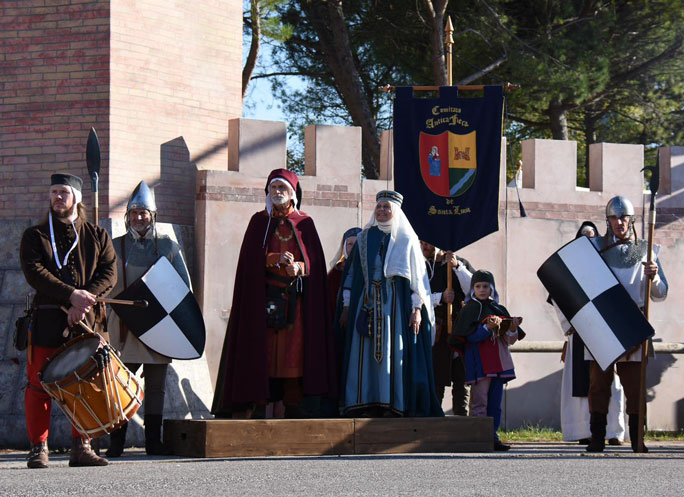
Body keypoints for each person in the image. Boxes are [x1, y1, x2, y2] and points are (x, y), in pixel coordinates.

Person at [211, 168, 336, 419]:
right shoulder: (259, 222)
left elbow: (315, 264)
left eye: (283, 188)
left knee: (294, 355)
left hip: (295, 305)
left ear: (292, 193)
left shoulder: (305, 223)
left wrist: (297, 267)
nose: (278, 193)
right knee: (263, 353)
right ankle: (259, 407)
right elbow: (249, 262)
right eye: (274, 188)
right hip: (263, 302)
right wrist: (273, 259)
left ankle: (292, 408)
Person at [19, 173, 117, 468]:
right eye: (53, 192)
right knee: (38, 386)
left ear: (77, 197)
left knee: (86, 385)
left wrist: (84, 299)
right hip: (48, 321)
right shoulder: (35, 236)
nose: (57, 197)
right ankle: (39, 448)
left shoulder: (98, 236)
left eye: (63, 192)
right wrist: (70, 296)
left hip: (88, 321)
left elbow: (109, 273)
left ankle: (82, 446)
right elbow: (35, 272)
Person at [105, 181, 192, 457]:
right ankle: (116, 441)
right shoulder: (116, 246)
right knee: (121, 384)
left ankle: (153, 441)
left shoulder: (168, 246)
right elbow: (106, 285)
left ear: (152, 216)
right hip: (125, 326)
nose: (139, 218)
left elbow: (183, 289)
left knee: (155, 388)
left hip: (160, 325)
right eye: (134, 213)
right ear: (128, 216)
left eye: (144, 213)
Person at [338, 190, 443, 417]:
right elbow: (352, 274)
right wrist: (347, 306)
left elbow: (417, 281)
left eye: (387, 207)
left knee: (392, 353)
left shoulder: (406, 239)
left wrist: (417, 309)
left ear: (395, 211)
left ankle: (391, 404)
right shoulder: (364, 238)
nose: (382, 211)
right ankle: (364, 402)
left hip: (394, 306)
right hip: (365, 303)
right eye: (379, 207)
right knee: (363, 353)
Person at [586, 196, 668, 453]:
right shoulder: (594, 248)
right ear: (607, 220)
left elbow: (661, 293)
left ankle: (637, 439)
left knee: (635, 385)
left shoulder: (647, 249)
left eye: (624, 218)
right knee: (599, 384)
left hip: (632, 323)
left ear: (631, 220)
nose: (619, 222)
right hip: (603, 324)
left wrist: (653, 278)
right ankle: (597, 438)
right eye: (614, 217)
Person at [551, 221, 626, 445]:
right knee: (583, 381)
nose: (588, 239)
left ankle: (613, 431)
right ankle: (581, 431)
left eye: (593, 236)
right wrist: (570, 323)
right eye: (584, 235)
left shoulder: (609, 263)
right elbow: (558, 296)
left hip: (606, 331)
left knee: (610, 382)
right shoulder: (569, 265)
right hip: (580, 332)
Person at [451, 270, 524, 451]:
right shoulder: (468, 310)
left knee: (495, 403)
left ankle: (493, 436)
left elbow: (509, 340)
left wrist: (512, 327)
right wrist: (485, 327)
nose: (482, 290)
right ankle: (479, 437)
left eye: (485, 286)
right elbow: (467, 338)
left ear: (491, 289)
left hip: (499, 364)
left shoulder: (499, 309)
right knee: (480, 401)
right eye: (478, 286)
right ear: (472, 289)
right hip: (480, 364)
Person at [420, 241, 474, 415]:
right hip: (437, 332)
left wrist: (457, 267)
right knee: (437, 379)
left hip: (460, 330)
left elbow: (474, 290)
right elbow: (416, 296)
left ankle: (462, 425)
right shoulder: (421, 267)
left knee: (462, 379)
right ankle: (434, 425)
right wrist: (440, 297)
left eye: (427, 242)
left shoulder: (459, 263)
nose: (423, 246)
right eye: (421, 242)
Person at [327, 227, 362, 319]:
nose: (354, 247)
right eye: (350, 244)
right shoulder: (336, 272)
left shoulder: (369, 270)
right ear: (344, 247)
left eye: (358, 243)